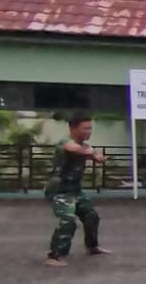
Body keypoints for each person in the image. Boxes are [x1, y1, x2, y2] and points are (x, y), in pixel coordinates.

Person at [44, 113, 110, 267]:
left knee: (91, 216)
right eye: (85, 128)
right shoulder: (64, 142)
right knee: (68, 220)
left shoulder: (86, 147)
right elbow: (73, 148)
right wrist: (92, 153)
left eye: (90, 129)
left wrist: (98, 157)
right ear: (73, 128)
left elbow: (93, 155)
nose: (88, 132)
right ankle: (54, 256)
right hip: (59, 191)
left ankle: (92, 247)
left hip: (75, 190)